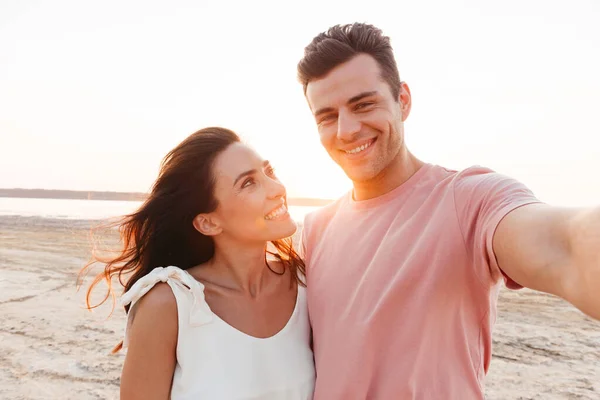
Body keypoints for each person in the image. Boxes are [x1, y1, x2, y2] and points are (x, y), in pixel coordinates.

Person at [296, 23, 600, 399]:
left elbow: (565, 246)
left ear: (403, 100)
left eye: (363, 104)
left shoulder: (471, 200)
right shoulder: (312, 232)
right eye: (327, 116)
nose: (346, 130)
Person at [82, 127, 315, 399]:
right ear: (208, 222)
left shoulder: (305, 283)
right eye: (248, 183)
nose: (277, 189)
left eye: (269, 172)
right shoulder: (171, 304)